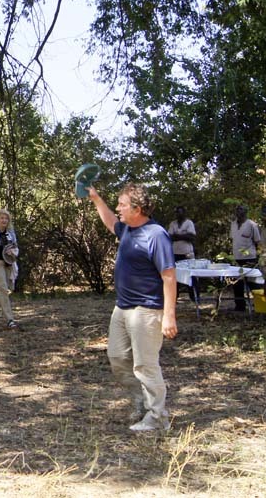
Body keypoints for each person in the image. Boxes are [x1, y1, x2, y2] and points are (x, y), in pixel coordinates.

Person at [87, 183, 178, 432]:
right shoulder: (127, 229)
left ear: (137, 209)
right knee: (117, 357)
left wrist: (169, 316)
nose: (118, 208)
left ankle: (157, 417)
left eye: (122, 205)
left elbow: (169, 276)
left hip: (147, 310)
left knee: (145, 365)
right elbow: (109, 222)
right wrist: (96, 198)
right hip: (122, 308)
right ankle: (141, 402)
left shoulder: (156, 234)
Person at [229, 204, 262, 311]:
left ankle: (260, 305)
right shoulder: (233, 224)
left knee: (253, 283)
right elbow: (233, 239)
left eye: (241, 210)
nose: (239, 212)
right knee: (237, 283)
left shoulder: (252, 225)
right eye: (237, 210)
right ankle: (240, 305)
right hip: (236, 258)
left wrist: (258, 257)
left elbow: (257, 242)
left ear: (245, 212)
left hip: (249, 258)